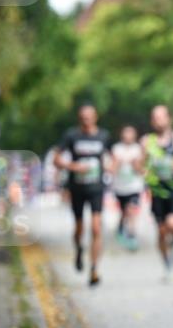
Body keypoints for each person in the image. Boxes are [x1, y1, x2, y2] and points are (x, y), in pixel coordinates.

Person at [53, 105, 112, 286]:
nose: (86, 120)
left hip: (96, 188)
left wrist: (112, 166)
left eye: (89, 116)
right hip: (77, 188)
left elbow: (112, 157)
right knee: (79, 228)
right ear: (79, 118)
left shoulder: (103, 136)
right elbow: (56, 159)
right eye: (83, 117)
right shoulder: (72, 135)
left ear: (96, 117)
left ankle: (94, 269)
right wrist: (73, 167)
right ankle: (79, 248)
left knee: (96, 228)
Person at [141, 105, 173, 277]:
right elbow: (141, 164)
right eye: (154, 117)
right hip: (156, 191)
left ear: (169, 118)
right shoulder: (147, 141)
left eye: (161, 117)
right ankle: (166, 262)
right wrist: (145, 172)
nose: (158, 120)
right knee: (161, 231)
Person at [110, 125, 144, 251]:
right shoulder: (116, 149)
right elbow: (111, 169)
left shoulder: (138, 149)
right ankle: (120, 227)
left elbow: (142, 170)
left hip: (134, 187)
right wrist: (118, 163)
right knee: (124, 211)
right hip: (120, 187)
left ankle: (132, 234)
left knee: (132, 209)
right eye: (126, 133)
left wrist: (135, 164)